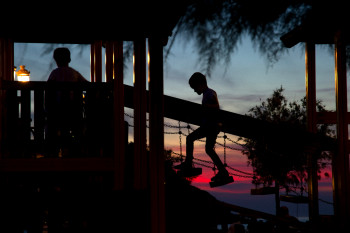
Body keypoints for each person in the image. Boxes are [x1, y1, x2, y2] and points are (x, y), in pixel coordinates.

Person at [179, 72, 231, 183]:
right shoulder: (207, 94)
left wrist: (205, 107)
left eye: (194, 87)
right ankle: (223, 172)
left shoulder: (209, 93)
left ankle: (188, 164)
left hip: (210, 126)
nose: (194, 90)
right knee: (208, 149)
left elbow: (216, 106)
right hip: (212, 126)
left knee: (190, 139)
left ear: (201, 84)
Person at [46, 47, 87, 157]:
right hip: (74, 112)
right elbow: (87, 84)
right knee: (76, 128)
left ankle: (53, 150)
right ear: (69, 59)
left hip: (57, 112)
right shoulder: (74, 73)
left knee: (54, 127)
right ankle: (77, 148)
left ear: (56, 60)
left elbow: (48, 89)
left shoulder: (54, 73)